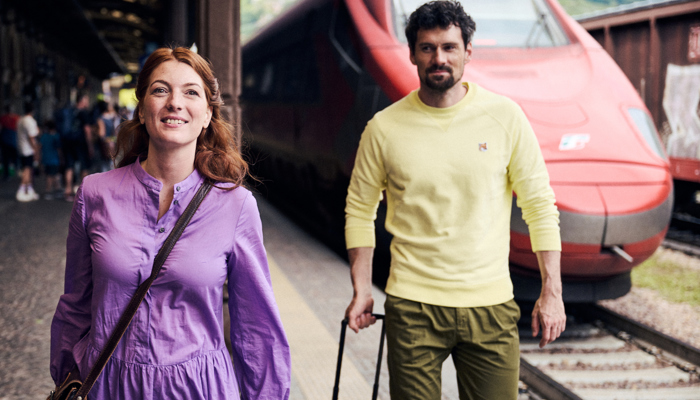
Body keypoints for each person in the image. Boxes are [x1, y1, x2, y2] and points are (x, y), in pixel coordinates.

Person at [343, 2, 566, 399]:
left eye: (449, 47)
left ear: (467, 52)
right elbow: (360, 209)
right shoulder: (384, 128)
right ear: (411, 53)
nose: (438, 58)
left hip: (491, 306)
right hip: (413, 306)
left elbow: (539, 205)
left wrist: (552, 291)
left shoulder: (505, 117)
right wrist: (362, 287)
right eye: (427, 48)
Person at [50, 47, 291, 398]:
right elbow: (75, 305)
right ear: (143, 108)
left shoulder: (236, 206)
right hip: (108, 385)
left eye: (191, 92)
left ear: (208, 114)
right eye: (161, 90)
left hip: (198, 388)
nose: (175, 102)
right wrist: (65, 377)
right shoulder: (94, 193)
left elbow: (257, 327)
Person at [0, 105, 20, 181]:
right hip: (13, 140)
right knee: (15, 157)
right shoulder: (17, 118)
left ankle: (7, 174)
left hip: (5, 140)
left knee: (6, 158)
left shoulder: (2, 118)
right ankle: (17, 170)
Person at [39, 120, 63, 199]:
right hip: (54, 159)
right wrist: (61, 158)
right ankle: (48, 191)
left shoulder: (44, 136)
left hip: (45, 158)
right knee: (52, 175)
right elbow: (59, 148)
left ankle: (57, 189)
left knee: (52, 174)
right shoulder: (56, 136)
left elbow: (40, 146)